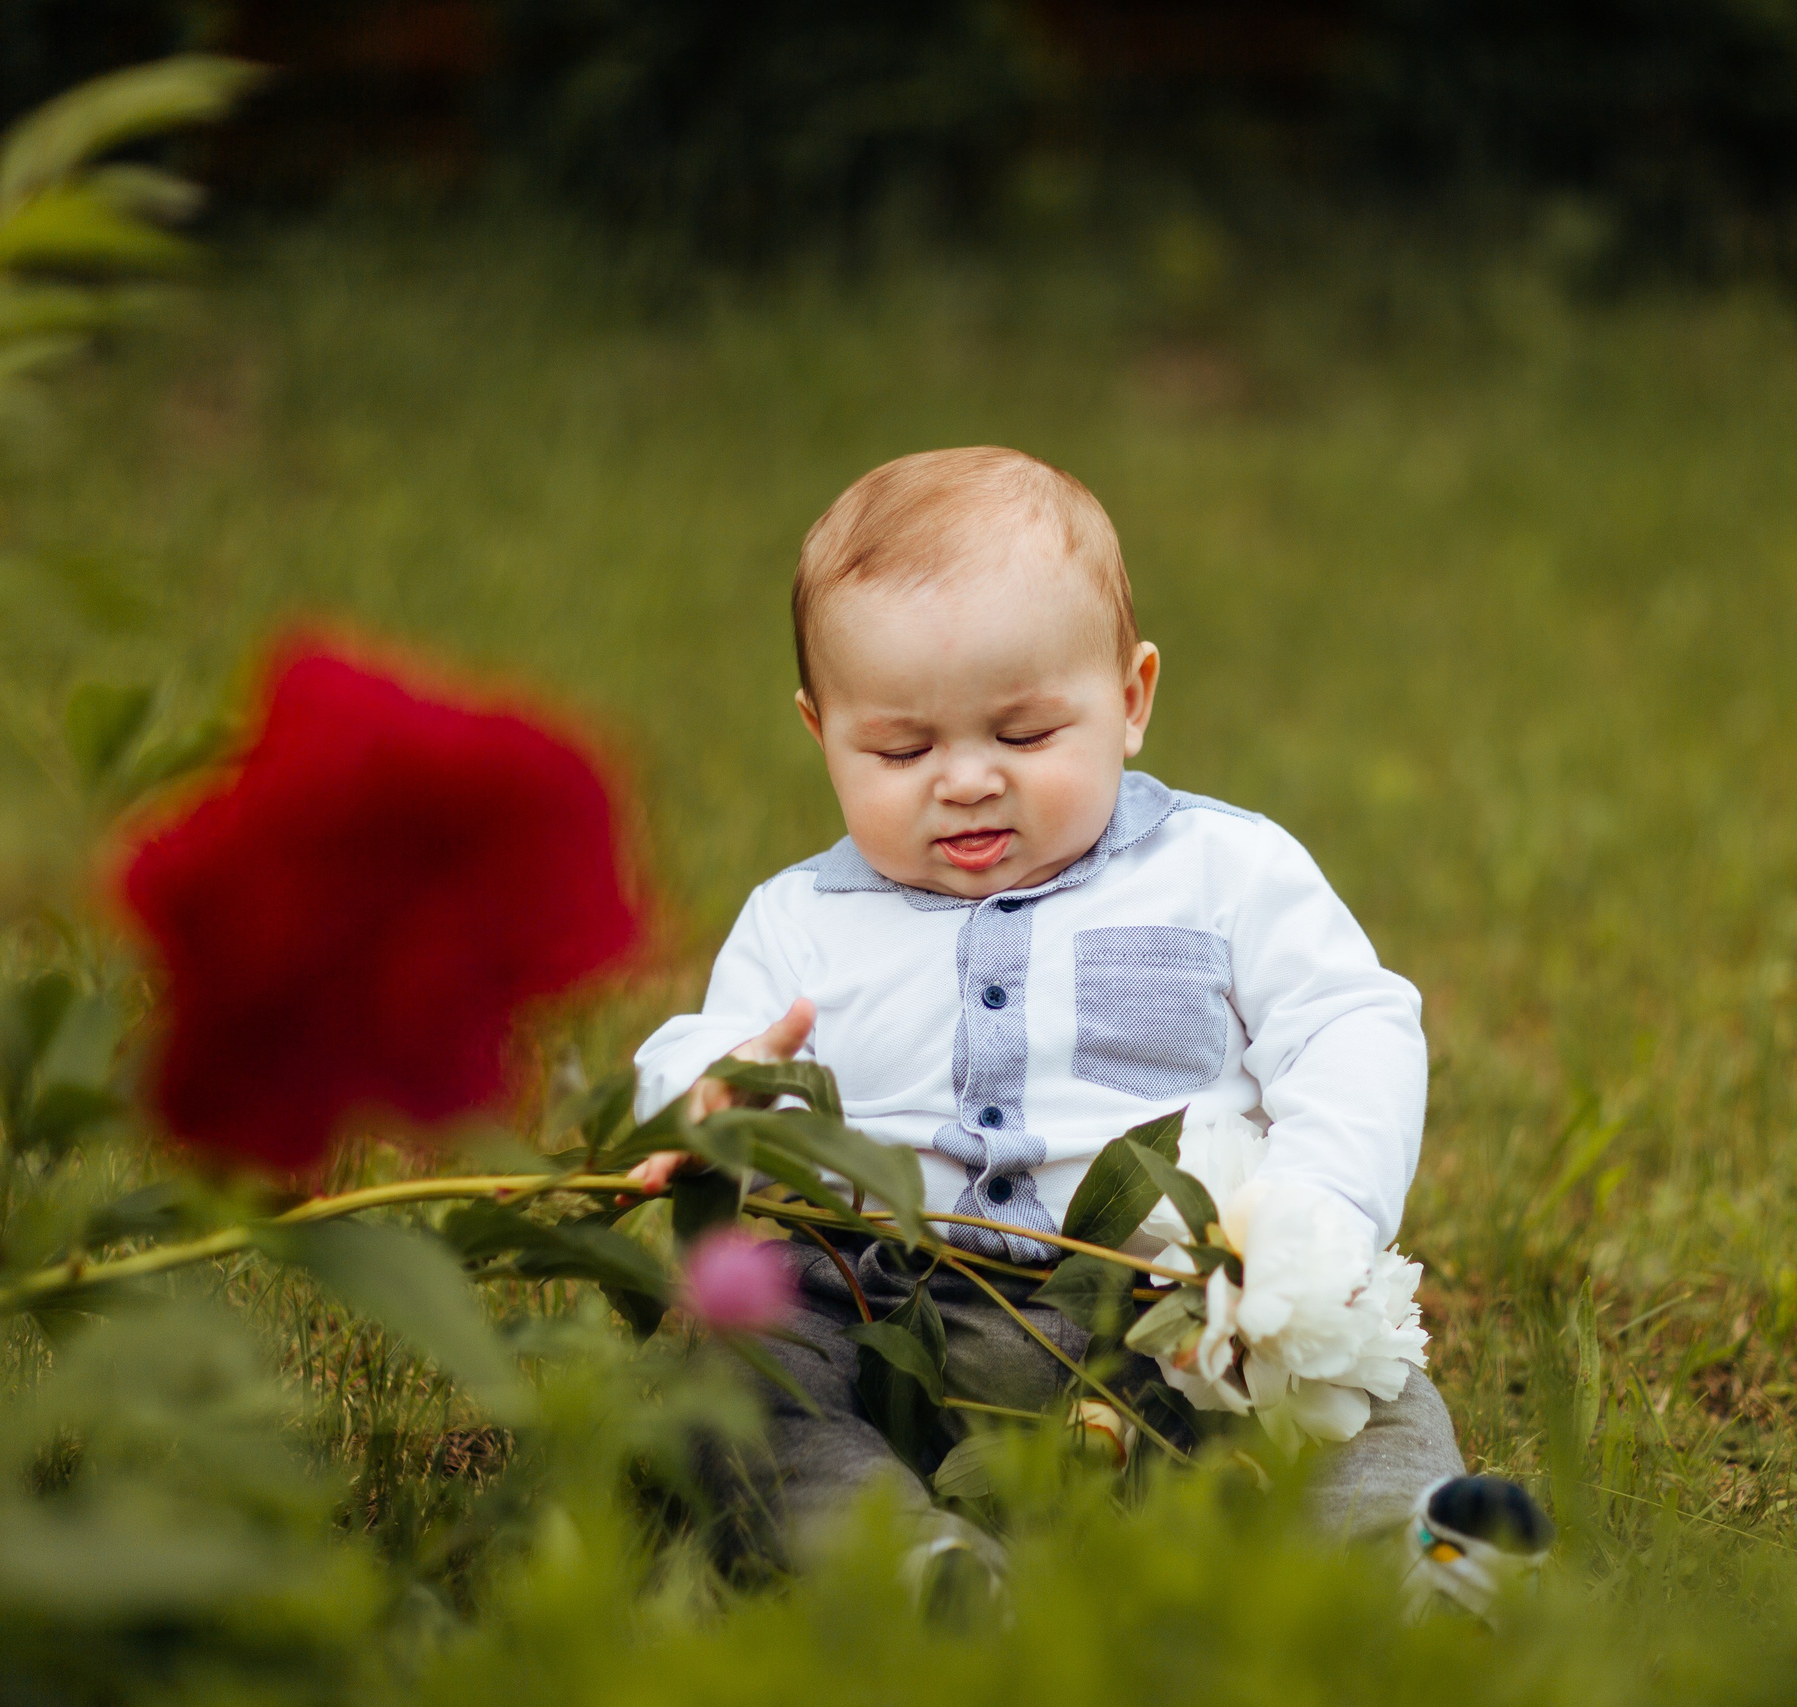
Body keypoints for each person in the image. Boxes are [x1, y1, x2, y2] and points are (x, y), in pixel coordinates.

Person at [628, 446, 1547, 1616]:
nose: (966, 781)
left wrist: (1310, 1214)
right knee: (742, 1369)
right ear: (821, 732)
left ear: (1130, 699)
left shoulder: (1220, 870)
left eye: (1023, 735)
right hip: (884, 1314)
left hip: (1174, 1313)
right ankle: (904, 1566)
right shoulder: (800, 920)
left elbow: (1348, 1026)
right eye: (901, 750)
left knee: (1352, 1396)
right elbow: (700, 1050)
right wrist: (711, 1094)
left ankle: (1413, 1557)